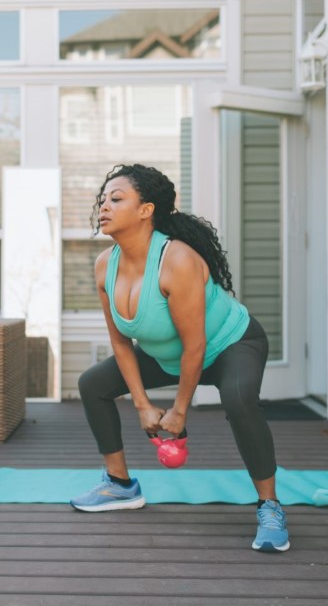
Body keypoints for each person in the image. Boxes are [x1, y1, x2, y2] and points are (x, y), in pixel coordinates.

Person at [69, 163, 290, 553]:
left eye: (116, 199)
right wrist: (141, 404)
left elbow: (196, 347)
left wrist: (178, 411)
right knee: (93, 384)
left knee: (239, 401)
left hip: (230, 345)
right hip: (168, 354)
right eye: (103, 200)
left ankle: (269, 506)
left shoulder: (177, 260)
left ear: (145, 209)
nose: (103, 206)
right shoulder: (106, 265)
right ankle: (119, 485)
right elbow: (121, 344)